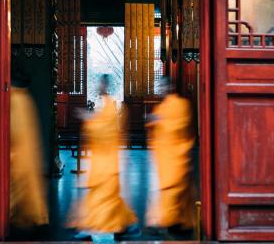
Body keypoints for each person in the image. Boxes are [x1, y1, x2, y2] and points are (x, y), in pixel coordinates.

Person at [68, 74, 139, 240]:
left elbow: (105, 129)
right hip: (101, 158)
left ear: (105, 85)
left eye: (100, 83)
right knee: (101, 195)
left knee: (105, 195)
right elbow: (100, 123)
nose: (98, 85)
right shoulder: (104, 105)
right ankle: (121, 224)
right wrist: (91, 119)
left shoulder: (110, 106)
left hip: (107, 159)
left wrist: (88, 119)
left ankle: (111, 224)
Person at [146, 77, 196, 239]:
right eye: (159, 86)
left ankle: (170, 220)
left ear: (171, 86)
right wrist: (153, 121)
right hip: (163, 156)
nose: (160, 88)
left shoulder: (181, 105)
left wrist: (160, 122)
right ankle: (169, 220)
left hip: (176, 154)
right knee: (166, 189)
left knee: (174, 187)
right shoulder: (160, 108)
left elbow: (180, 126)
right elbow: (154, 131)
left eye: (163, 85)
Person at [9, 50, 49, 228]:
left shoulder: (14, 98)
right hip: (28, 152)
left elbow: (14, 133)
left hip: (18, 152)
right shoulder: (23, 96)